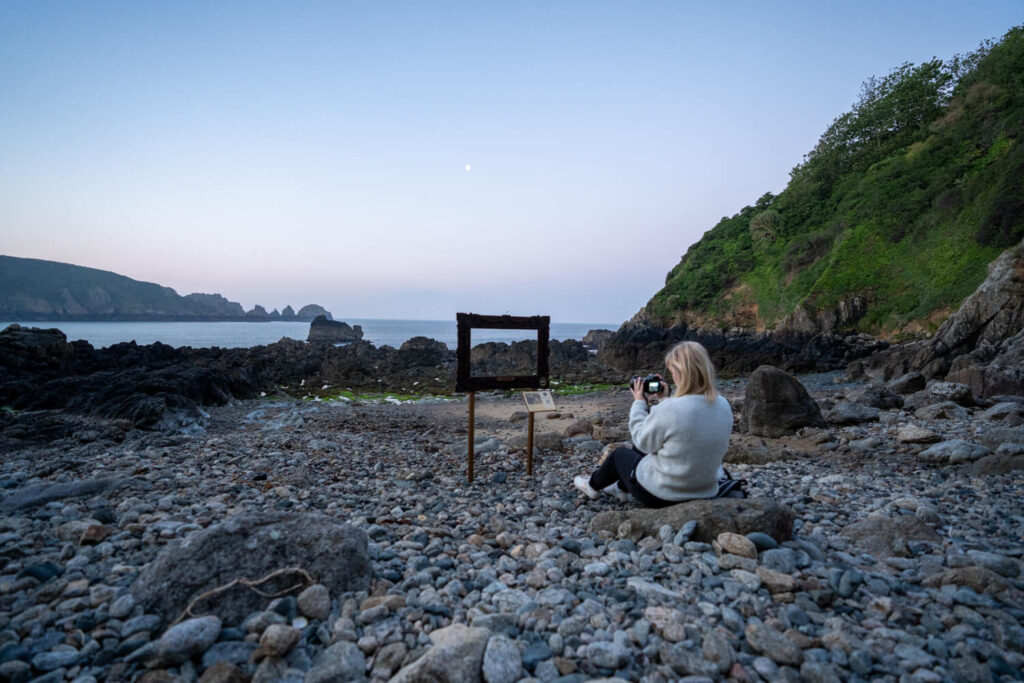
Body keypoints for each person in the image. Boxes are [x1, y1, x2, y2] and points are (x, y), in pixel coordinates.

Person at [573, 341, 733, 507]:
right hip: (705, 490)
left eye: (673, 372)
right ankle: (621, 488)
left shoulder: (670, 409)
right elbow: (684, 429)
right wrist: (664, 398)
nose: (674, 377)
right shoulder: (723, 404)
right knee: (650, 448)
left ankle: (591, 486)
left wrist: (639, 402)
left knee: (619, 455)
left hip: (663, 496)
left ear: (680, 373)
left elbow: (641, 440)